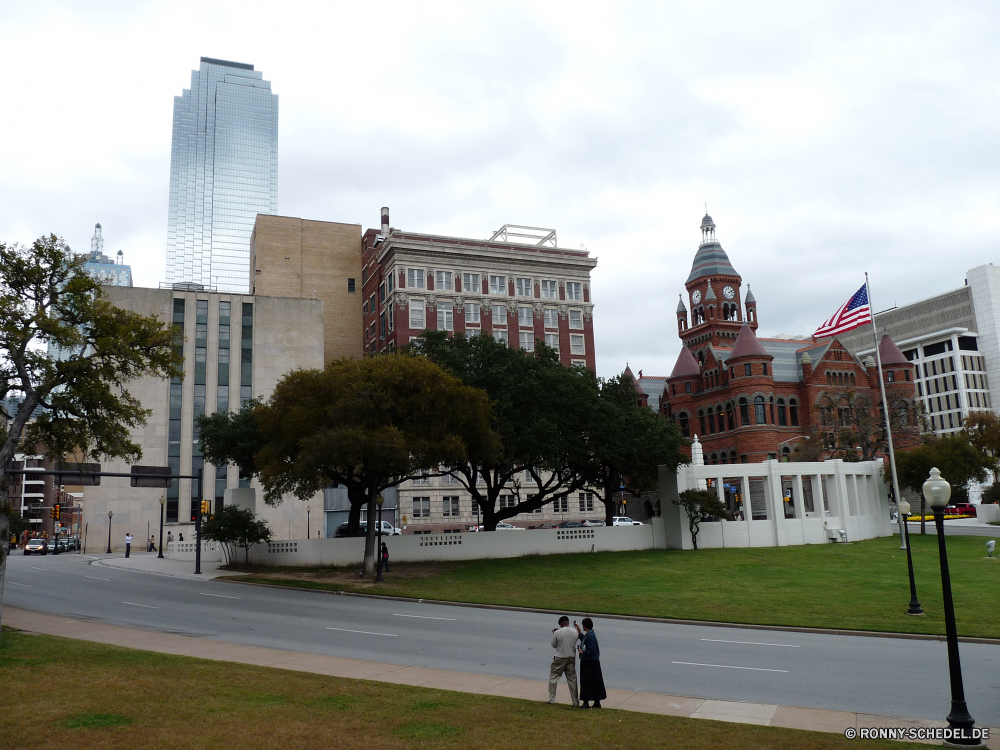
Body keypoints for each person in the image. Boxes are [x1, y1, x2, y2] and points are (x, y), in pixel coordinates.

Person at [575, 617, 607, 709]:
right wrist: (579, 631)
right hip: (593, 662)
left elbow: (591, 650)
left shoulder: (590, 636)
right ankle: (597, 701)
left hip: (589, 663)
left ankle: (586, 702)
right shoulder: (590, 634)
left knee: (586, 682)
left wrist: (582, 652)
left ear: (585, 626)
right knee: (595, 682)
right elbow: (584, 639)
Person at [548, 615, 579, 706]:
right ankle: (575, 701)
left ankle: (551, 699)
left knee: (553, 677)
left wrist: (555, 633)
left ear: (561, 624)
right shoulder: (575, 632)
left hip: (560, 657)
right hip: (571, 657)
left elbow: (554, 645)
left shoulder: (558, 633)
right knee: (572, 679)